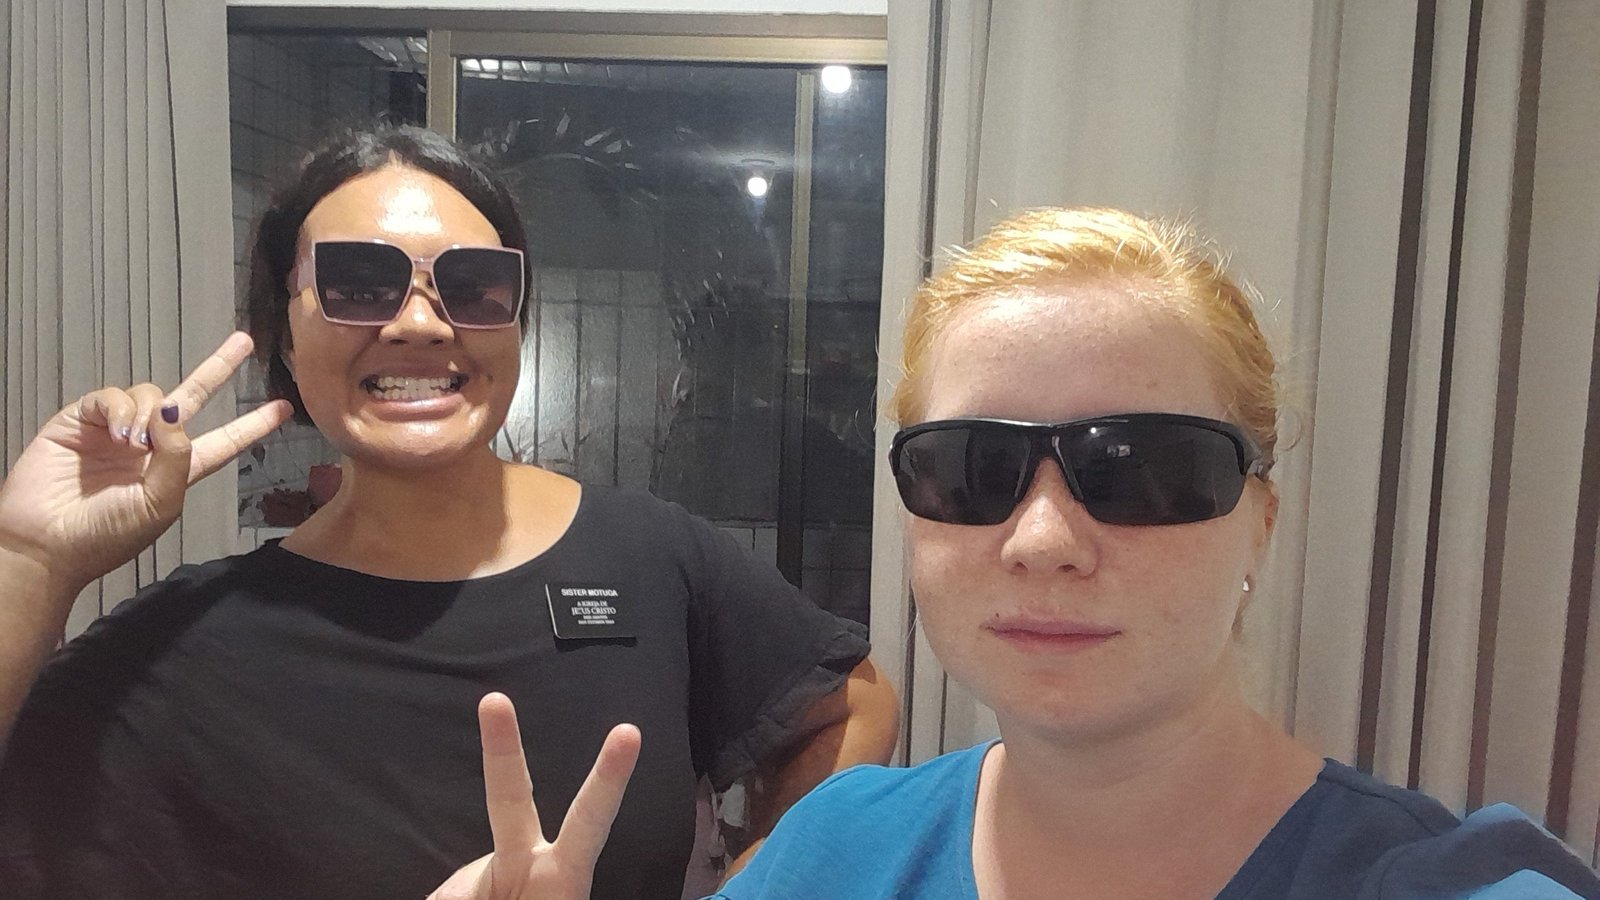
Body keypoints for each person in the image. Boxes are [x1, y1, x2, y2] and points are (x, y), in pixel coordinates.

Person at [437, 207, 1600, 899]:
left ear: (1259, 520)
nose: (1043, 540)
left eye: (1142, 469)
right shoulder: (835, 854)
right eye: (971, 469)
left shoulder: (1445, 885)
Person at [0, 124, 899, 900]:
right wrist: (29, 558)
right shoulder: (189, 645)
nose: (422, 323)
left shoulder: (649, 558)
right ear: (285, 332)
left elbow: (854, 708)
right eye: (359, 282)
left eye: (472, 284)